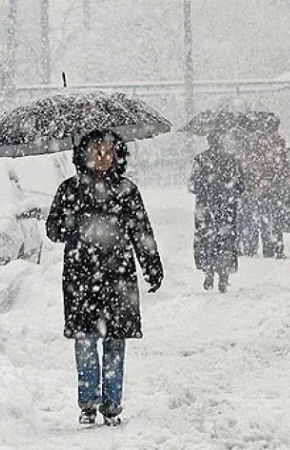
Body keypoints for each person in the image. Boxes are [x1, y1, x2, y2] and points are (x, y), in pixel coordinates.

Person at [46, 129, 164, 427]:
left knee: (115, 342)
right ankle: (88, 403)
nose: (103, 158)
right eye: (96, 152)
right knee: (85, 341)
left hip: (117, 277)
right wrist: (69, 218)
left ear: (117, 156)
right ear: (83, 154)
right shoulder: (69, 190)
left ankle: (112, 405)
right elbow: (53, 231)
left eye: (109, 152)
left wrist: (152, 266)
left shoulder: (126, 190)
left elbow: (141, 232)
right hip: (81, 276)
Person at [189, 134, 245, 292]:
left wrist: (206, 188)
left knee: (206, 238)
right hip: (226, 207)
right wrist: (227, 189)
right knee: (225, 239)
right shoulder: (232, 160)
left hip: (205, 207)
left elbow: (192, 185)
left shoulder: (200, 159)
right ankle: (224, 273)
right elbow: (241, 186)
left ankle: (208, 270)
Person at [238, 129, 290, 258]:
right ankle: (272, 248)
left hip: (257, 189)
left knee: (252, 220)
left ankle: (252, 248)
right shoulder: (276, 144)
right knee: (270, 221)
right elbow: (282, 167)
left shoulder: (250, 144)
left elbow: (248, 167)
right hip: (269, 190)